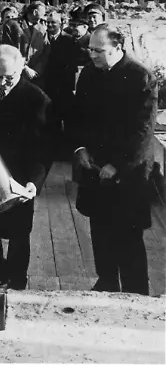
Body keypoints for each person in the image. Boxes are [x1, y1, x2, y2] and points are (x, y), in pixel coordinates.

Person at [72, 24, 157, 295]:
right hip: (95, 167)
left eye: (99, 50)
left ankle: (136, 293)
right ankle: (106, 279)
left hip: (128, 173)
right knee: (100, 228)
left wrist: (117, 164)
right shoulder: (89, 73)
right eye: (90, 49)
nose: (92, 55)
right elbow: (79, 117)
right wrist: (81, 147)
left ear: (118, 48)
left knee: (128, 235)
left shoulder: (139, 77)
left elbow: (143, 130)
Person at [0, 45, 52, 289]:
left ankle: (17, 279)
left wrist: (33, 183)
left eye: (9, 77)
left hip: (20, 176)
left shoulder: (37, 99)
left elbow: (45, 148)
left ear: (22, 68)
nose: (2, 83)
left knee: (19, 232)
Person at [43, 10, 76, 157]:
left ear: (61, 24)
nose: (49, 25)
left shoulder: (69, 40)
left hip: (63, 88)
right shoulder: (42, 39)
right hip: (46, 87)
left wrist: (68, 89)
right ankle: (53, 151)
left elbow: (71, 66)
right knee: (51, 121)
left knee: (67, 121)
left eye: (53, 22)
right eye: (47, 22)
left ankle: (67, 152)